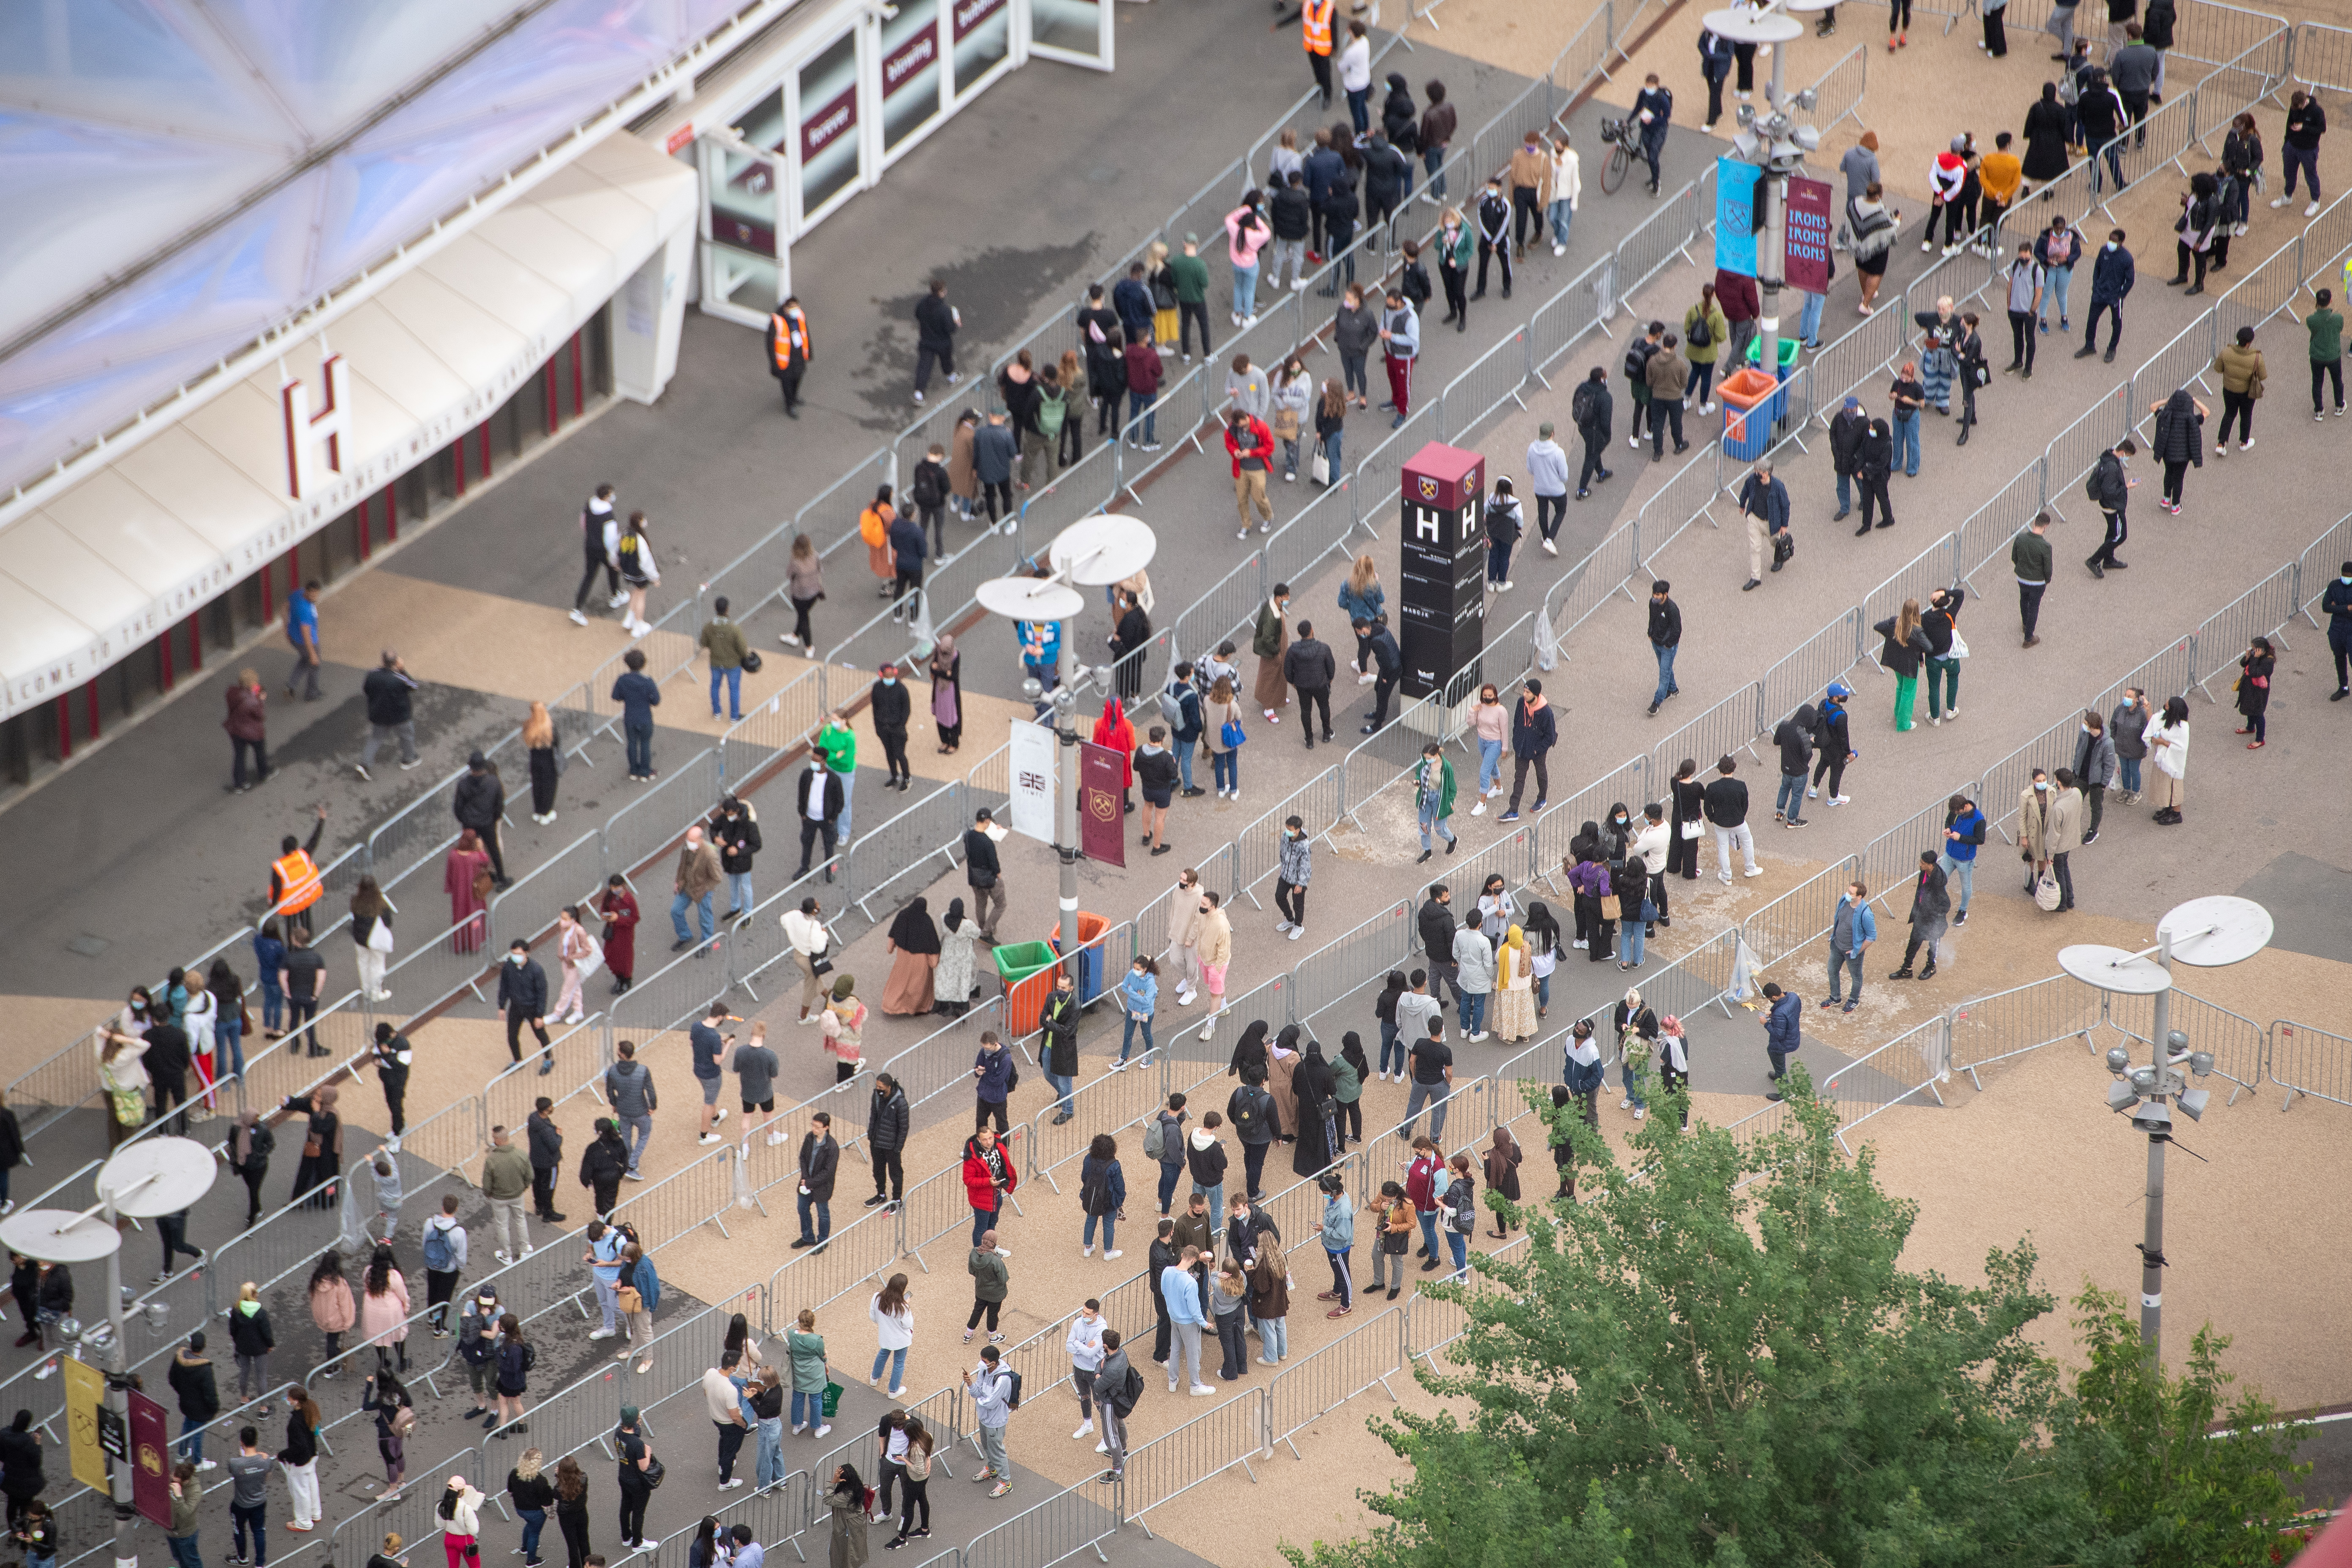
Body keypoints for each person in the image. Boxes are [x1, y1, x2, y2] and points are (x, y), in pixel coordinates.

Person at [2085, 437, 2139, 577]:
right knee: (2120, 536)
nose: (2126, 458)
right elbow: (2109, 492)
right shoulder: (2112, 467)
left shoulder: (2109, 459)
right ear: (2122, 452)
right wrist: (2127, 487)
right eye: (2127, 456)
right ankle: (2094, 560)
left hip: (2108, 505)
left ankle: (2108, 559)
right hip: (2113, 507)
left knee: (2112, 532)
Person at [1737, 458, 1791, 591]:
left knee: (1776, 543)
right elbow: (1745, 491)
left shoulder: (1778, 486)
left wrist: (1784, 525)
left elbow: (1785, 506)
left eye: (1759, 472)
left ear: (1767, 473)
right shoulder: (1752, 480)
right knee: (1755, 548)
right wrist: (1742, 504)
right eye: (1756, 471)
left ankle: (1780, 559)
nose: (1756, 474)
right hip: (1755, 519)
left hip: (1771, 523)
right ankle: (1755, 578)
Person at [277, 1384, 323, 1531]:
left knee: (301, 1492)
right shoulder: (309, 1409)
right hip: (312, 1455)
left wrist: (283, 1455)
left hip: (301, 1461)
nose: (287, 1400)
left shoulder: (295, 1422)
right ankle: (315, 1513)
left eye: (289, 1398)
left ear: (296, 1400)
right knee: (312, 1485)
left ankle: (304, 1522)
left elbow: (298, 1447)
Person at [2275, 90, 2327, 217]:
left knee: (2310, 175)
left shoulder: (2317, 111)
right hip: (2292, 147)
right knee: (2289, 173)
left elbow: (2322, 129)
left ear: (2304, 103)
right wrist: (2286, 144)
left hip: (2309, 150)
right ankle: (2288, 196)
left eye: (2297, 107)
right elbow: (2289, 124)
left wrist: (2304, 127)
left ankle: (2315, 201)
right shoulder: (2294, 107)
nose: (2294, 109)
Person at [1633, 72, 1671, 194]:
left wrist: (1653, 120)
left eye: (1651, 86)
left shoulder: (1663, 99)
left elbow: (1666, 116)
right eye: (1647, 85)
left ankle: (1656, 183)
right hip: (1646, 128)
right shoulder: (1643, 94)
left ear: (1656, 86)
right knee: (1650, 156)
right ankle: (1654, 177)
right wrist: (1627, 121)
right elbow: (1637, 108)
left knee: (1653, 157)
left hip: (1659, 130)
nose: (1648, 88)